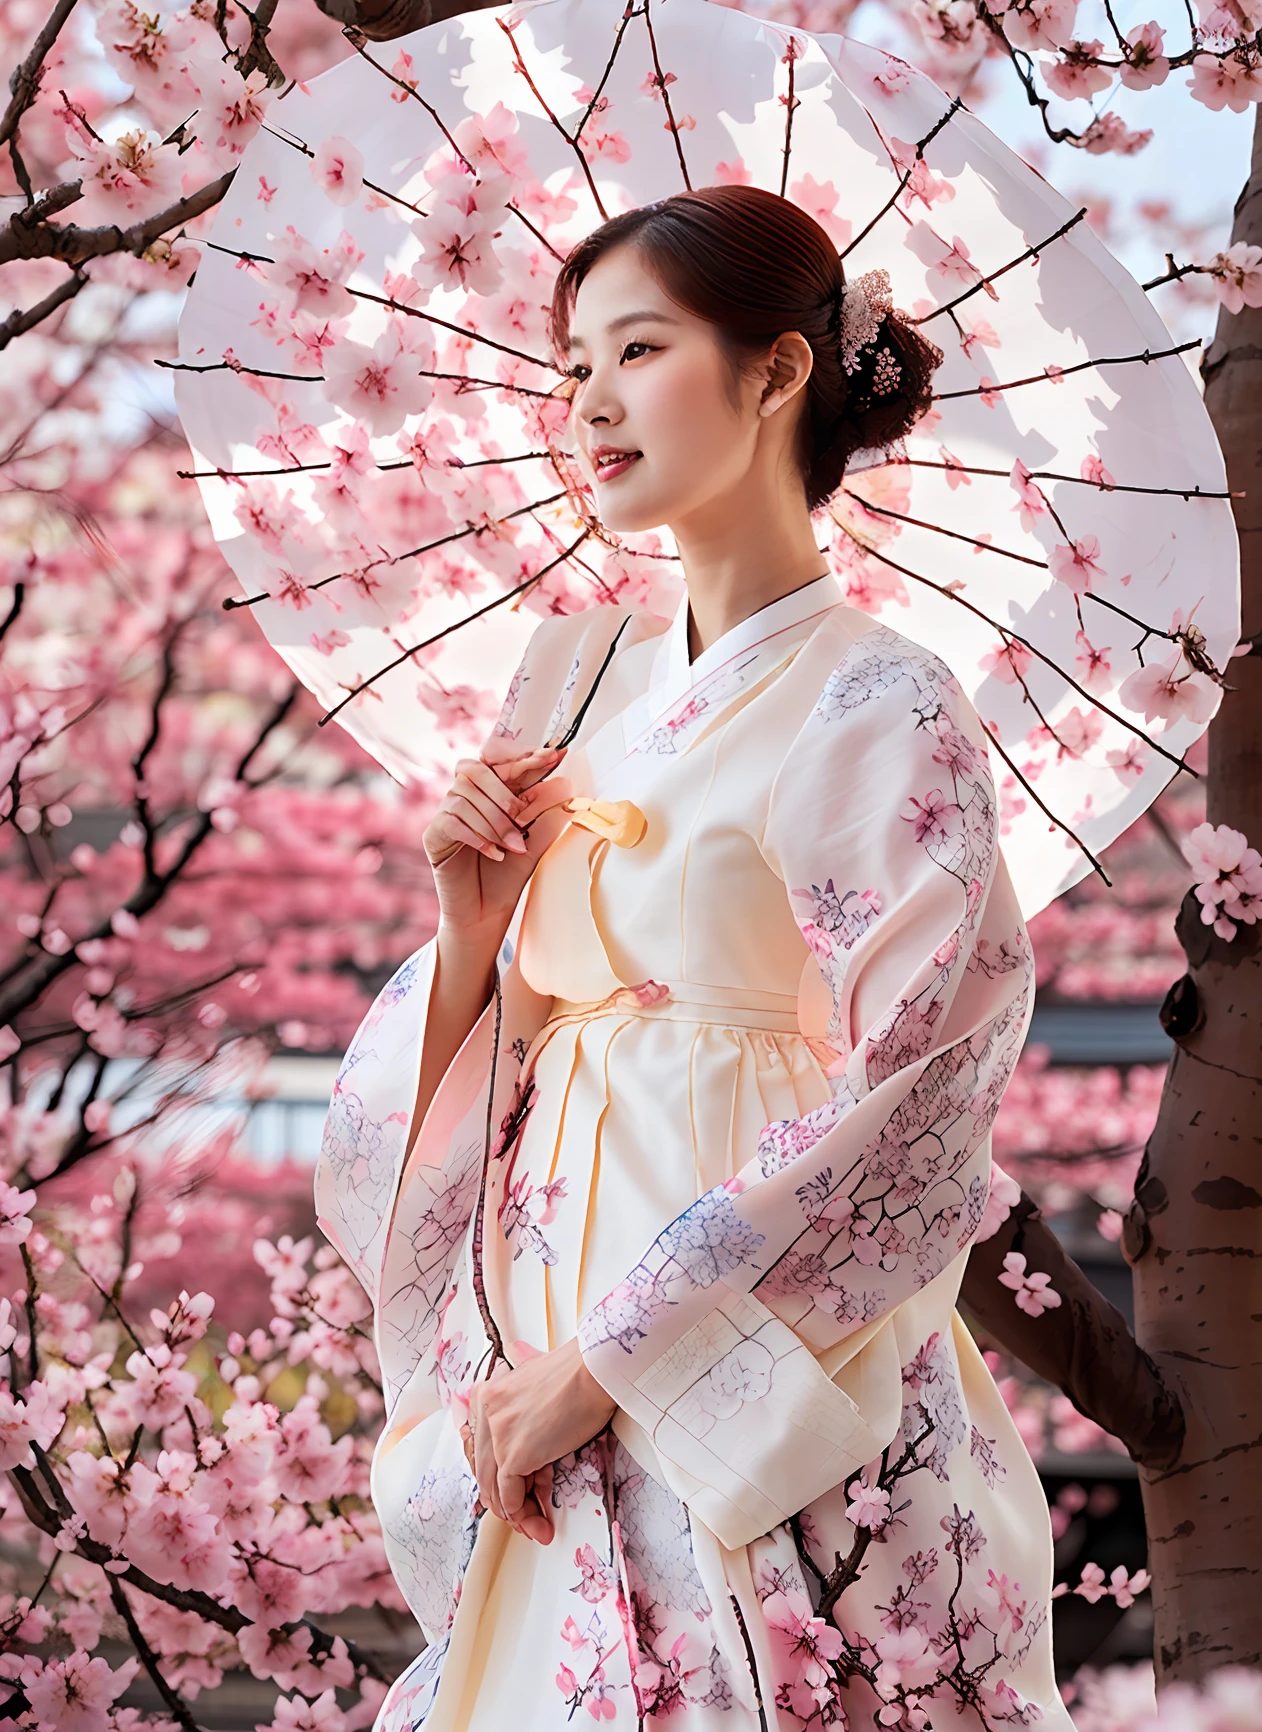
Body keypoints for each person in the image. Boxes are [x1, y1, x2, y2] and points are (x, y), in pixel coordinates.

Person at [315, 184, 1074, 1730]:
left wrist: (610, 1359)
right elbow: (515, 1035)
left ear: (779, 371)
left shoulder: (882, 699)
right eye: (570, 365)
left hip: (744, 1329)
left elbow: (919, 1087)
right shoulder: (572, 668)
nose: (586, 401)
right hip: (545, 1278)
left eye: (636, 350)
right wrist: (474, 917)